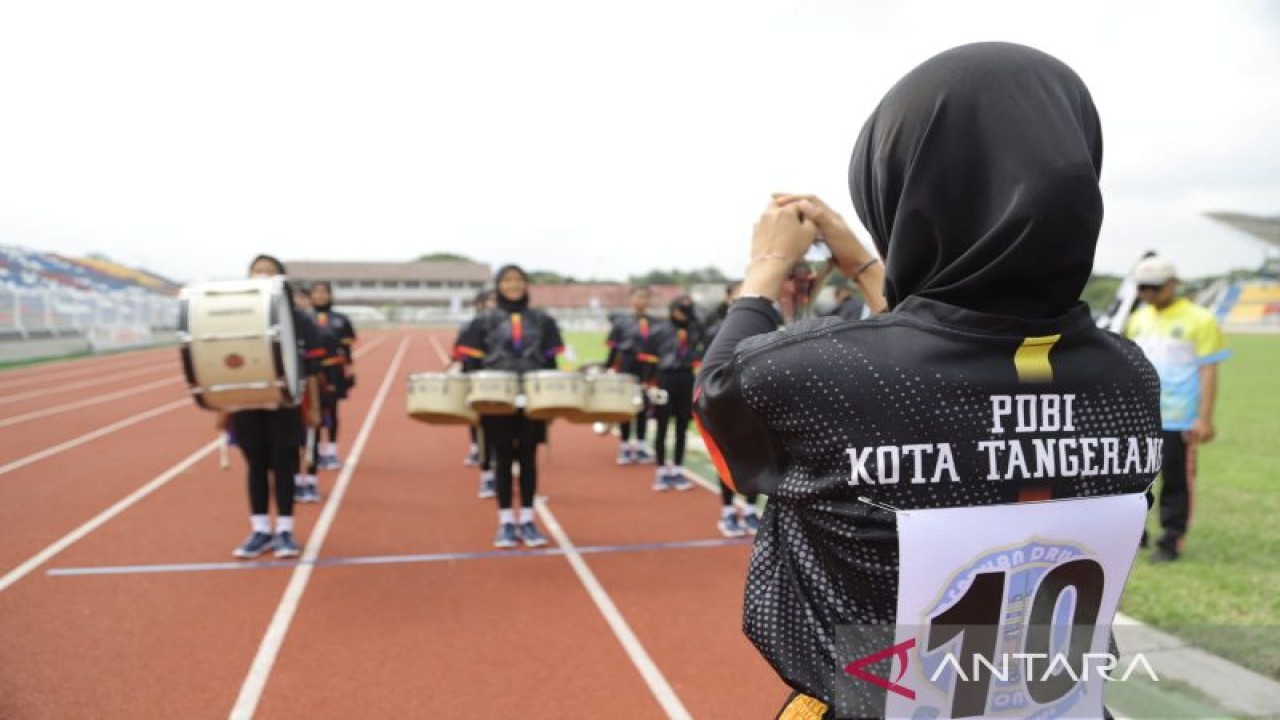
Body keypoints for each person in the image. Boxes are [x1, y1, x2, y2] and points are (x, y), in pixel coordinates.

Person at [693, 42, 1162, 718]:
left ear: (899, 184)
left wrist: (767, 266)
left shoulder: (809, 375)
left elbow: (718, 399)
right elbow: (961, 345)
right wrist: (862, 265)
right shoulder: (1129, 378)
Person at [1125, 255, 1229, 563]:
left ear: (1173, 284)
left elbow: (1208, 370)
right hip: (1140, 417)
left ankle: (1171, 539)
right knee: (1134, 481)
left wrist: (1204, 418)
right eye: (1142, 287)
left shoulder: (1200, 318)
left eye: (1155, 287)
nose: (1148, 294)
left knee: (1176, 482)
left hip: (1178, 418)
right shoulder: (1138, 318)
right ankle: (1134, 535)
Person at [220, 255, 323, 559]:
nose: (263, 276)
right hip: (247, 402)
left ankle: (285, 531)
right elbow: (223, 364)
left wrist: (314, 408)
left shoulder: (299, 319)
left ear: (282, 279)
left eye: (270, 272)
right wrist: (222, 407)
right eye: (257, 271)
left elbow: (312, 370)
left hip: (285, 403)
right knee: (255, 466)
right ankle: (260, 529)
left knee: (283, 466)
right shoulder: (235, 316)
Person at [454, 265, 564, 548]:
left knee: (528, 457)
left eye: (518, 280)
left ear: (527, 285)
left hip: (532, 398)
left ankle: (527, 519)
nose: (513, 285)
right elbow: (471, 364)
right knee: (502, 458)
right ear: (498, 285)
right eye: (507, 280)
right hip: (496, 400)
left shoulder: (542, 320)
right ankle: (505, 522)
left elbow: (551, 364)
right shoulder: (483, 321)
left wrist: (551, 399)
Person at [702, 281, 763, 537]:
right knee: (727, 458)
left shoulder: (764, 326)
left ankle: (750, 509)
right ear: (729, 299)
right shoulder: (718, 330)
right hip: (725, 400)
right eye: (739, 295)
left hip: (755, 398)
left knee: (758, 457)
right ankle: (728, 511)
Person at [647, 295, 702, 492]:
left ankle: (677, 469)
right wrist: (650, 382)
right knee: (662, 425)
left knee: (681, 427)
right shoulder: (660, 330)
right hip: (665, 378)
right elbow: (651, 358)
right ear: (672, 310)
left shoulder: (695, 330)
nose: (685, 313)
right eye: (681, 309)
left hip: (686, 378)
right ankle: (661, 470)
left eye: (688, 310)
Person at [604, 286, 658, 465]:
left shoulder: (656, 323)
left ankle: (641, 444)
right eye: (639, 297)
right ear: (631, 299)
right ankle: (625, 445)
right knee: (625, 407)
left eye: (645, 297)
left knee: (642, 406)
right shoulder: (621, 322)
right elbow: (614, 348)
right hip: (627, 366)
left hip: (647, 368)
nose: (642, 301)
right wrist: (608, 367)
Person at [309, 280, 357, 471]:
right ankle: (315, 450)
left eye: (324, 292)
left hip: (333, 370)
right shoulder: (304, 319)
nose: (320, 295)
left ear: (330, 295)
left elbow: (346, 349)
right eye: (316, 291)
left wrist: (350, 369)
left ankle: (331, 450)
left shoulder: (341, 320)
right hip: (311, 371)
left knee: (332, 409)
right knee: (314, 410)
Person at [462, 289, 500, 497]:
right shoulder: (476, 325)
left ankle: (501, 470)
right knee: (484, 429)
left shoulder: (513, 323)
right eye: (491, 301)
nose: (495, 304)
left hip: (508, 385)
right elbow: (468, 358)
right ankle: (487, 477)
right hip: (482, 383)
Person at [290, 282, 323, 504]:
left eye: (304, 298)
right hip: (289, 391)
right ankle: (293, 480)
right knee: (291, 440)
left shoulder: (311, 326)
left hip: (313, 386)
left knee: (312, 435)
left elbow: (317, 364)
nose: (300, 302)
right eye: (296, 298)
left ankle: (310, 480)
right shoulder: (284, 324)